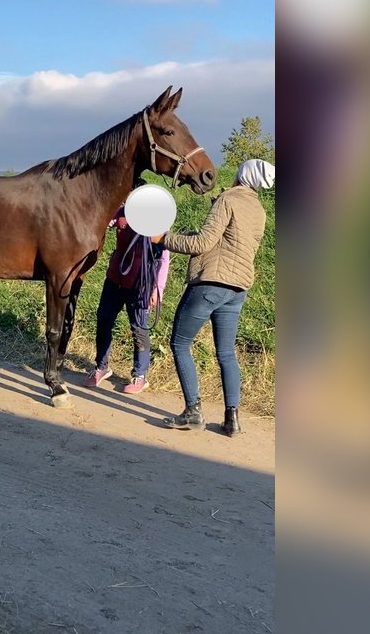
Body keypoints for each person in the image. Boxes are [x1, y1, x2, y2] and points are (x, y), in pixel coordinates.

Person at [153, 159, 275, 435]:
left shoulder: (227, 200)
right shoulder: (259, 210)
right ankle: (232, 420)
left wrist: (164, 238)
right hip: (238, 288)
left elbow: (203, 243)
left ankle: (193, 412)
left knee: (180, 344)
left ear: (242, 174)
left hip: (211, 282)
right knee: (226, 353)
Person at [83, 205, 170, 394]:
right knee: (104, 320)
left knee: (139, 329)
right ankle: (101, 366)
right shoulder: (121, 212)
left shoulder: (158, 218)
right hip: (115, 278)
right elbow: (103, 220)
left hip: (141, 283)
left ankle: (140, 375)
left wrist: (158, 289)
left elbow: (164, 258)